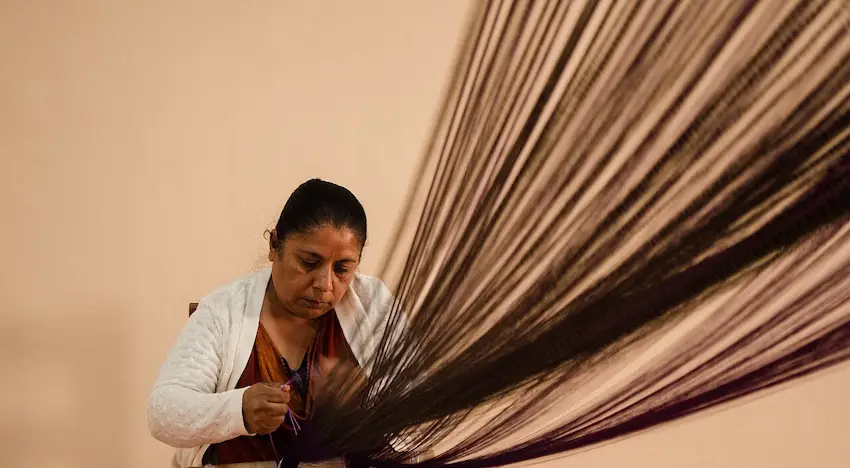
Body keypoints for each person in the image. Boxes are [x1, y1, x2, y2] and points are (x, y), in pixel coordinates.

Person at [147, 179, 396, 468]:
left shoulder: (373, 304)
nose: (324, 285)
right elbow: (162, 413)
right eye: (309, 262)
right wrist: (237, 409)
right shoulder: (224, 311)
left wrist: (367, 400)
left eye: (342, 269)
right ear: (274, 245)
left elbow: (425, 404)